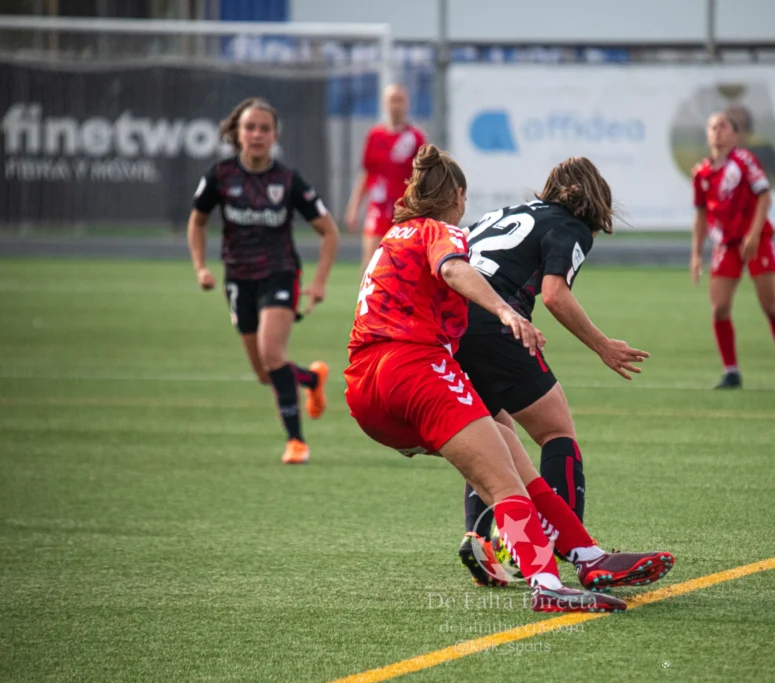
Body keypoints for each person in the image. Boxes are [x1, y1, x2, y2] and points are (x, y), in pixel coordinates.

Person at [344, 144, 674, 612]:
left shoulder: (392, 237)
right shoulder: (440, 230)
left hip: (364, 389)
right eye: (463, 197)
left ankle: (588, 555)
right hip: (415, 370)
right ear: (456, 193)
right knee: (509, 483)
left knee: (512, 457)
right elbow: (455, 269)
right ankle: (548, 584)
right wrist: (503, 309)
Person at [453, 157, 650, 586]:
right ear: (594, 200)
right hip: (496, 323)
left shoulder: (504, 213)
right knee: (556, 430)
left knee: (488, 432)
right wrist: (603, 346)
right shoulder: (571, 224)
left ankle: (479, 537)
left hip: (450, 324)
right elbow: (555, 295)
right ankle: (567, 547)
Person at [187, 97, 340, 464]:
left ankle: (296, 443)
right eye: (250, 128)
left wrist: (318, 283)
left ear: (275, 136)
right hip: (238, 278)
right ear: (237, 134)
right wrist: (200, 267)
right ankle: (310, 380)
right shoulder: (220, 176)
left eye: (264, 129)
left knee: (272, 356)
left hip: (280, 273)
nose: (257, 134)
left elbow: (329, 232)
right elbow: (198, 221)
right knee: (263, 372)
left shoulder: (288, 181)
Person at [691, 112, 775, 391]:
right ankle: (731, 372)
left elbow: (764, 195)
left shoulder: (744, 160)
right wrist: (695, 254)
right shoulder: (702, 172)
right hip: (726, 244)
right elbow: (701, 215)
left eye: (723, 126)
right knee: (719, 308)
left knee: (770, 306)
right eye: (712, 126)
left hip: (756, 240)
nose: (717, 131)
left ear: (734, 134)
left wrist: (753, 235)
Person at [344, 84, 427, 272]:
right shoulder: (375, 135)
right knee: (371, 263)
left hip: (406, 209)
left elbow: (424, 178)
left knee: (405, 265)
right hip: (379, 207)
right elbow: (367, 173)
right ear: (384, 104)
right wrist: (354, 208)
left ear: (407, 104)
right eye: (392, 100)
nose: (396, 105)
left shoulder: (415, 138)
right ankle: (367, 300)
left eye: (400, 100)